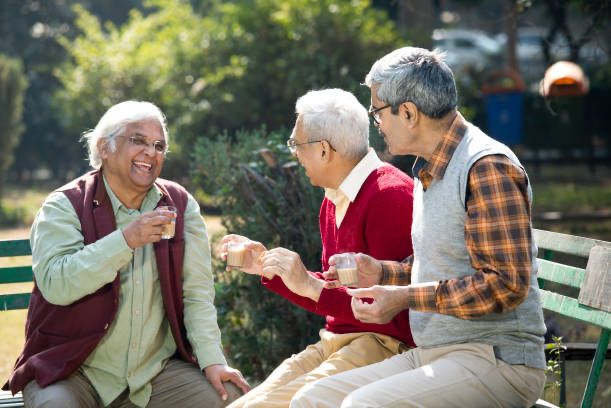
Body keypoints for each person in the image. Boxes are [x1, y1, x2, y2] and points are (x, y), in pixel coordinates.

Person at [291, 48, 547, 407]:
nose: (375, 121)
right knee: (313, 400)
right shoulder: (432, 169)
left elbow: (505, 285)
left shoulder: (487, 167)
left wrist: (405, 298)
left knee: (362, 406)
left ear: (408, 112)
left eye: (377, 110)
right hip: (438, 352)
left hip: (499, 359)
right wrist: (381, 272)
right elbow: (442, 265)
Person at [5, 101, 249, 408]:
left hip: (153, 375)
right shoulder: (64, 205)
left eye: (159, 145)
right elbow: (57, 284)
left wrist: (213, 361)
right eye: (138, 140)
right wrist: (125, 240)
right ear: (104, 148)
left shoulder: (180, 205)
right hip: (71, 371)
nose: (151, 152)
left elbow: (196, 294)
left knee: (233, 399)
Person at [222, 88, 415, 408]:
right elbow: (329, 294)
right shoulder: (333, 198)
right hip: (337, 342)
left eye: (296, 144)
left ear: (324, 150)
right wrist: (267, 267)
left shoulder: (390, 196)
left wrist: (308, 283)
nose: (294, 153)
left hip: (385, 345)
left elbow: (388, 312)